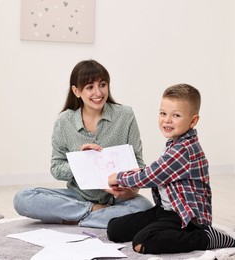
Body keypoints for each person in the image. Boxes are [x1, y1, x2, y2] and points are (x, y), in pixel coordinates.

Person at [13, 59, 153, 229]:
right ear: (76, 91)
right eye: (89, 87)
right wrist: (81, 160)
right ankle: (95, 213)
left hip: (116, 199)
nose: (98, 92)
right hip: (77, 196)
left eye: (102, 84)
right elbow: (56, 168)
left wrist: (130, 190)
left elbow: (139, 164)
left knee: (144, 207)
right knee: (23, 198)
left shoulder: (125, 115)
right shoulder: (64, 121)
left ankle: (76, 217)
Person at [107, 84, 235, 254]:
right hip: (165, 211)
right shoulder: (174, 143)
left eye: (176, 115)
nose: (167, 120)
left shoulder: (184, 149)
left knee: (143, 242)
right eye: (163, 113)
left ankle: (205, 238)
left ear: (193, 121)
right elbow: (157, 172)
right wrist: (133, 174)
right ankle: (163, 230)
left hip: (187, 218)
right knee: (114, 229)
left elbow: (152, 176)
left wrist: (120, 177)